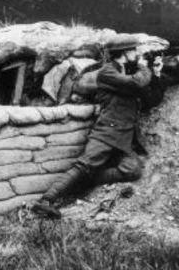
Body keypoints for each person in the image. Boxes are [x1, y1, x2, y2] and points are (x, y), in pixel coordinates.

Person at [31, 35, 165, 219]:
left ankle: (84, 182)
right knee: (84, 164)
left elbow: (152, 100)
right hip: (106, 132)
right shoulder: (107, 73)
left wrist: (156, 74)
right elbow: (137, 82)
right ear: (124, 53)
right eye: (134, 50)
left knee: (132, 170)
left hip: (124, 136)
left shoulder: (128, 73)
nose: (136, 53)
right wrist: (143, 66)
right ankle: (45, 201)